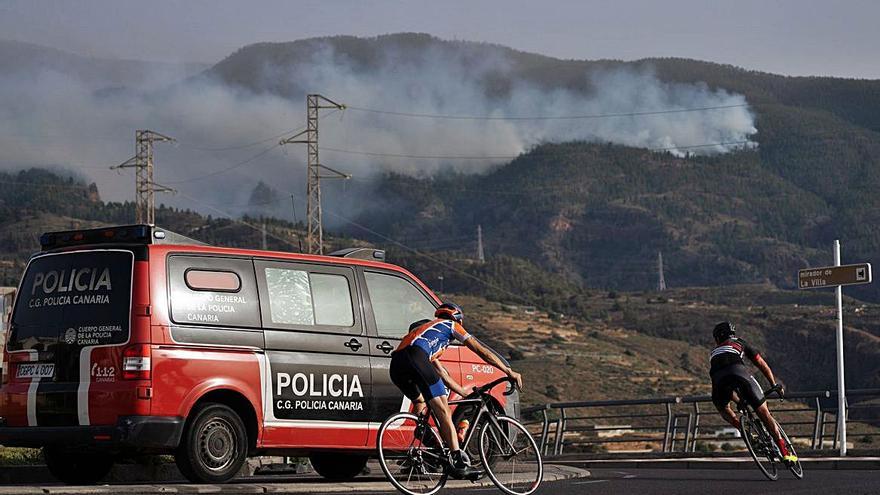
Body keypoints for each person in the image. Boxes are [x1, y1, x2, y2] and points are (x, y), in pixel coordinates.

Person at [390, 302, 524, 479]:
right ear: (458, 319)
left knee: (420, 401)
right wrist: (508, 371)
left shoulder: (426, 333)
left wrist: (463, 393)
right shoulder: (451, 325)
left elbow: (441, 373)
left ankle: (424, 435)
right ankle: (458, 462)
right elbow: (481, 350)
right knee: (444, 410)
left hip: (396, 365)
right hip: (416, 358)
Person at [709, 321, 797, 463]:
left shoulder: (714, 353)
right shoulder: (739, 343)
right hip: (739, 373)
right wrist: (773, 384)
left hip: (718, 380)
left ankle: (744, 430)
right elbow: (761, 363)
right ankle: (785, 452)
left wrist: (738, 401)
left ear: (718, 338)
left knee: (724, 409)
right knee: (763, 412)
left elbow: (724, 382)